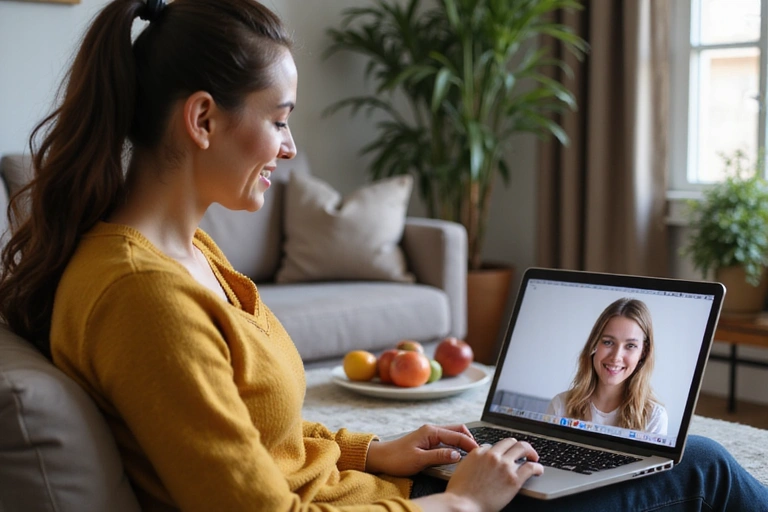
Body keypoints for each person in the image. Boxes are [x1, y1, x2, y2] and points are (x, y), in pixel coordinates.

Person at [0, 0, 765, 510]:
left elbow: (259, 440)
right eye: (281, 119)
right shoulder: (147, 298)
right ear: (202, 119)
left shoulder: (181, 253)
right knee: (703, 469)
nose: (291, 147)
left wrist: (374, 450)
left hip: (391, 495)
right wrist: (461, 500)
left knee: (677, 462)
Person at [546, 298, 668, 435]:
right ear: (594, 344)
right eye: (608, 342)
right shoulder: (560, 406)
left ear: (643, 353)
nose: (616, 357)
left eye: (630, 346)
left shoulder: (653, 417)